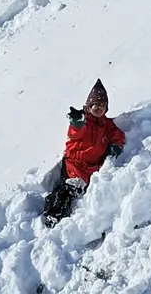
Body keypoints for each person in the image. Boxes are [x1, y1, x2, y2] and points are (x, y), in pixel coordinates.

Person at [41, 79, 126, 225]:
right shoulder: (84, 121)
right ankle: (53, 213)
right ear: (89, 107)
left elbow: (118, 136)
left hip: (92, 168)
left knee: (84, 189)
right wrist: (77, 122)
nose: (99, 108)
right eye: (95, 105)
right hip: (74, 164)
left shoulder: (107, 125)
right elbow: (75, 131)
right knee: (69, 189)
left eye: (102, 105)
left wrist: (116, 147)